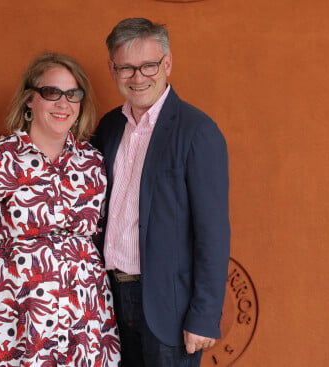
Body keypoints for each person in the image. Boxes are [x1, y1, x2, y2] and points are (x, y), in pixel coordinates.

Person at [0, 53, 120, 367]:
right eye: (52, 93)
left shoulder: (93, 163)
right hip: (11, 322)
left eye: (73, 95)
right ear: (29, 100)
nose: (63, 104)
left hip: (84, 323)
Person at [91, 18, 230, 367]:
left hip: (169, 307)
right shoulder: (109, 128)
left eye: (148, 65)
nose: (138, 77)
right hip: (107, 300)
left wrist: (204, 315)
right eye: (126, 67)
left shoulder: (197, 132)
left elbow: (213, 233)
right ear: (112, 68)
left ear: (167, 64)